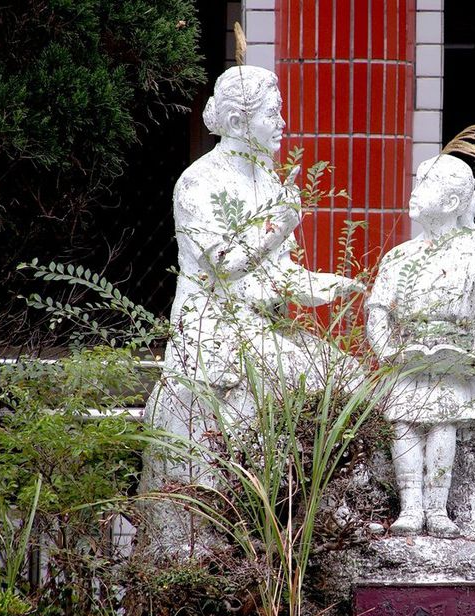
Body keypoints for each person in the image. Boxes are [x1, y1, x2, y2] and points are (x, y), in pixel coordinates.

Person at [141, 66, 360, 556]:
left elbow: (274, 273)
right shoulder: (198, 181)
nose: (283, 122)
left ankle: (318, 524)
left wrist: (320, 286)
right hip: (215, 326)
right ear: (240, 122)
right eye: (273, 112)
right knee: (308, 385)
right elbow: (223, 264)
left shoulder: (267, 178)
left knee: (351, 382)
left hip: (259, 322)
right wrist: (280, 225)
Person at [366, 154, 475, 538]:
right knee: (403, 424)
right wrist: (385, 350)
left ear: (450, 203)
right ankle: (410, 506)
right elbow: (378, 312)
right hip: (406, 360)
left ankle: (437, 508)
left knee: (443, 424)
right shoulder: (399, 257)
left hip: (452, 359)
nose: (412, 192)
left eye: (423, 184)